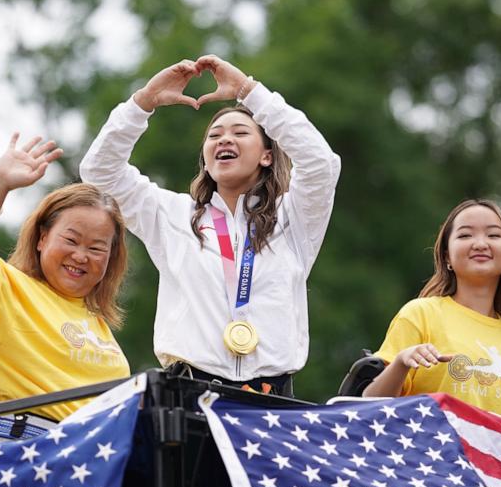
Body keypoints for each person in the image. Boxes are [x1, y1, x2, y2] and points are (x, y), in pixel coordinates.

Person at [79, 54, 341, 396]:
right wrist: (144, 102)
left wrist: (249, 91)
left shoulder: (294, 217)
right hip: (189, 396)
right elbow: (99, 172)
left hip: (272, 401)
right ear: (205, 157)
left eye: (240, 132)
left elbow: (320, 162)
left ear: (267, 156)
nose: (224, 139)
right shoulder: (171, 215)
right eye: (214, 135)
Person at [0, 133, 131, 441]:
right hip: (22, 449)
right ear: (42, 238)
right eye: (71, 240)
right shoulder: (4, 288)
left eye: (97, 248)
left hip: (91, 464)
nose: (81, 255)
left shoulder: (99, 325)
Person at [363, 198, 501, 439]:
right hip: (431, 469)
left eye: (493, 235)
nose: (480, 243)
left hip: (493, 475)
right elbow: (368, 406)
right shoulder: (420, 314)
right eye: (465, 235)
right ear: (447, 256)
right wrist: (401, 362)